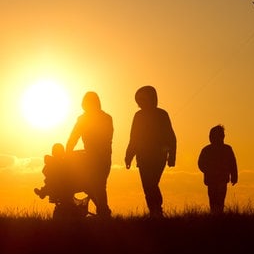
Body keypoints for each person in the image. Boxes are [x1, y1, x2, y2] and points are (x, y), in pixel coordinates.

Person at [125, 86, 176, 218]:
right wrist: (129, 156)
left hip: (159, 157)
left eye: (142, 100)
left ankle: (157, 210)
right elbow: (134, 138)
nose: (140, 103)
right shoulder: (138, 116)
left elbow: (170, 137)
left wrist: (172, 156)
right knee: (148, 187)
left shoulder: (162, 114)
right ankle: (154, 212)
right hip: (143, 158)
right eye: (138, 101)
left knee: (151, 184)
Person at [66, 91, 113, 217]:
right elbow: (73, 137)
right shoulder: (83, 119)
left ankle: (104, 212)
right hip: (91, 157)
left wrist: (99, 151)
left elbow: (107, 137)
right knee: (93, 185)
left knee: (99, 185)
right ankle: (104, 212)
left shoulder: (106, 118)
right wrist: (67, 151)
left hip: (102, 157)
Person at [198, 125, 238, 214]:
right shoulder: (206, 150)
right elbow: (201, 164)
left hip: (222, 179)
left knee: (220, 199)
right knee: (213, 199)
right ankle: (215, 215)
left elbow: (233, 163)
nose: (211, 138)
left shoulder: (227, 149)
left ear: (222, 136)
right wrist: (208, 171)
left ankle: (218, 215)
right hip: (211, 180)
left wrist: (234, 176)